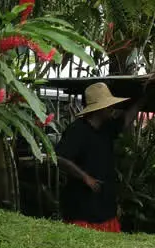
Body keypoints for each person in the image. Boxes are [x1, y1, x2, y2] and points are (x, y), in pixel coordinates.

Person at [56, 82, 137, 232]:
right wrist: (85, 177)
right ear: (98, 109)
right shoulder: (77, 130)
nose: (111, 108)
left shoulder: (106, 128)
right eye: (107, 106)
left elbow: (125, 121)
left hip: (103, 203)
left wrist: (142, 100)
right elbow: (60, 158)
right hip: (81, 204)